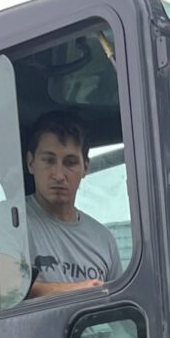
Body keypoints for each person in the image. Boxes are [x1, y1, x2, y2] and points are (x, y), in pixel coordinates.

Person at [24, 116, 121, 296]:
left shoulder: (104, 240)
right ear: (31, 163)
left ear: (85, 168)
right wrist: (79, 291)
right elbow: (5, 290)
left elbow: (120, 309)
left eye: (70, 163)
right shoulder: (7, 221)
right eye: (48, 160)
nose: (59, 175)